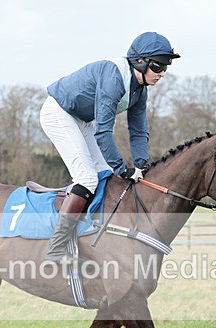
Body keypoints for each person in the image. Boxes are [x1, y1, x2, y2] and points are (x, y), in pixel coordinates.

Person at [39, 31, 180, 262]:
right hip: (59, 113)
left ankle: (91, 234)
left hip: (82, 120)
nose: (162, 73)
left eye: (166, 67)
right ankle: (56, 248)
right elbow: (104, 131)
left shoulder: (139, 90)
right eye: (158, 66)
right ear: (140, 62)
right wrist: (122, 168)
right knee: (87, 178)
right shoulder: (114, 78)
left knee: (105, 176)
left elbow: (139, 131)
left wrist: (142, 165)